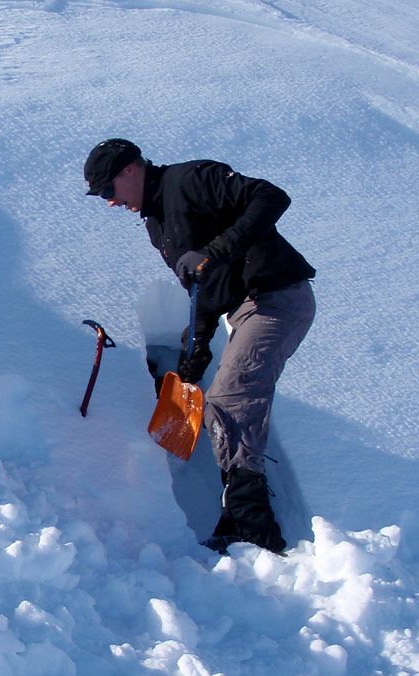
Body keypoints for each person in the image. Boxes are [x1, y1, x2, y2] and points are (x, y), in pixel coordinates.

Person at [84, 138, 316, 553]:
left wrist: (213, 251)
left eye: (107, 190)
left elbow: (270, 197)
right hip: (242, 309)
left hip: (277, 296)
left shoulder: (190, 179)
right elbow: (202, 289)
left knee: (233, 396)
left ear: (129, 170)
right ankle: (237, 513)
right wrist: (198, 346)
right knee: (221, 402)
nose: (110, 203)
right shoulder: (158, 224)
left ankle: (255, 525)